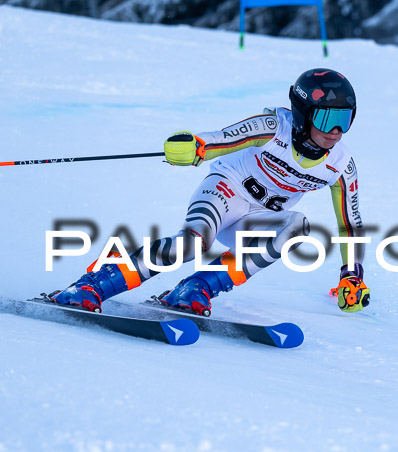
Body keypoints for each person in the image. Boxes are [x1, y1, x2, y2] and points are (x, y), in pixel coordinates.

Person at [49, 68, 370, 316]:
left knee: (297, 225)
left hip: (257, 219)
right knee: (190, 244)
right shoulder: (274, 127)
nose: (336, 132)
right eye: (327, 119)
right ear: (303, 113)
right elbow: (225, 138)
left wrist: (351, 276)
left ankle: (194, 289)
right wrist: (196, 147)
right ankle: (90, 286)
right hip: (225, 192)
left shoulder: (341, 166)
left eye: (345, 120)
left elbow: (350, 225)